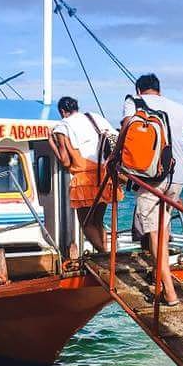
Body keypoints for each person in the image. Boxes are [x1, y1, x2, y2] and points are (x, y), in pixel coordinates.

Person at [123, 73, 183, 305]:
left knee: (154, 234)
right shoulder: (176, 106)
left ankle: (169, 294)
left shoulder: (133, 101)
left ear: (139, 89)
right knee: (162, 228)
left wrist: (116, 160)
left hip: (150, 176)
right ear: (159, 90)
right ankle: (158, 275)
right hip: (177, 176)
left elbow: (126, 130)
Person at [49, 96, 122, 253]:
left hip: (84, 179)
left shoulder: (62, 126)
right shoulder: (94, 117)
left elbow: (66, 161)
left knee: (86, 223)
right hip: (105, 174)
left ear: (62, 111)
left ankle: (105, 255)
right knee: (98, 221)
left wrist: (51, 143)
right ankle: (107, 254)